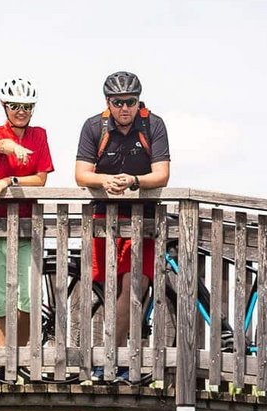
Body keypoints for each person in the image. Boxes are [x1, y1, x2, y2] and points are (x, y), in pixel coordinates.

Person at [74, 71, 170, 379]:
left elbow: (162, 174)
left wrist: (134, 181)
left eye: (130, 101)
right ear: (108, 103)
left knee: (135, 286)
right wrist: (107, 180)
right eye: (117, 103)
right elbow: (81, 174)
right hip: (104, 220)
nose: (124, 108)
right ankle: (113, 361)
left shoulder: (153, 125)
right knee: (110, 289)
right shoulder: (94, 127)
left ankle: (109, 362)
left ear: (139, 102)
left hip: (143, 221)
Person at [0, 78, 53, 377]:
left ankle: (20, 358)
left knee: (26, 294)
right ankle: (1, 361)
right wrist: (14, 149)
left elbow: (40, 179)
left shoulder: (39, 135)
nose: (21, 112)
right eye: (15, 106)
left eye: (27, 107)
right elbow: (1, 144)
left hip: (27, 224)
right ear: (4, 106)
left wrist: (10, 180)